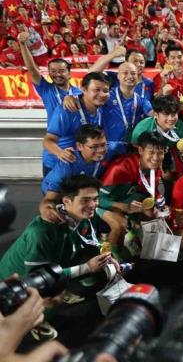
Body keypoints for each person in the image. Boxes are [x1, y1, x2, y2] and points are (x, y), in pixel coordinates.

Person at [0, 175, 119, 339]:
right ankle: (33, 320)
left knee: (89, 264)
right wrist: (87, 268)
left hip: (53, 264)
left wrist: (107, 256)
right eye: (85, 200)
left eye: (95, 199)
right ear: (67, 201)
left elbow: (89, 242)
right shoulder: (41, 232)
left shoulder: (81, 217)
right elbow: (40, 276)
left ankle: (62, 289)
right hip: (20, 280)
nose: (93, 205)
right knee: (54, 295)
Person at [40, 124, 125, 221]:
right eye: (94, 147)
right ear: (79, 146)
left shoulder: (110, 149)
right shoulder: (68, 165)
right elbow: (49, 199)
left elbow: (132, 147)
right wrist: (47, 209)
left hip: (84, 192)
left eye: (103, 144)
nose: (101, 150)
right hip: (59, 192)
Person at [97, 132, 167, 249]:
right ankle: (108, 256)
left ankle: (135, 243)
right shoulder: (120, 168)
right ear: (140, 150)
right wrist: (125, 207)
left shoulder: (154, 168)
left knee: (151, 213)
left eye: (160, 153)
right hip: (102, 203)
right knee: (120, 224)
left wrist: (159, 206)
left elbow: (154, 191)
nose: (155, 158)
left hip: (126, 199)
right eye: (151, 152)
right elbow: (97, 199)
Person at [42, 72, 111, 176]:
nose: (102, 94)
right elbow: (48, 141)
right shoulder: (67, 110)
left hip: (83, 164)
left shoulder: (103, 107)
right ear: (83, 89)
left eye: (105, 91)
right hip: (58, 164)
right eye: (96, 90)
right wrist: (61, 153)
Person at [17, 31, 82, 118]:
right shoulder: (46, 89)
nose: (57, 74)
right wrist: (22, 45)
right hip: (54, 127)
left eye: (61, 71)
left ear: (69, 73)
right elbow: (32, 69)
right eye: (53, 71)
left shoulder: (80, 94)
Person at [131, 95, 183, 178]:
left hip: (167, 155)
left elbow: (179, 152)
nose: (171, 118)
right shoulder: (142, 129)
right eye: (166, 114)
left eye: (174, 114)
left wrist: (182, 155)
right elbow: (136, 151)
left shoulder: (181, 127)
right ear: (156, 114)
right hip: (147, 159)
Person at [102, 62, 153, 142]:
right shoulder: (106, 96)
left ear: (137, 76)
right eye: (125, 73)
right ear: (118, 76)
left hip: (132, 146)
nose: (129, 76)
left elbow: (154, 114)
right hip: (109, 147)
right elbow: (91, 74)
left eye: (133, 73)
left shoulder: (142, 101)